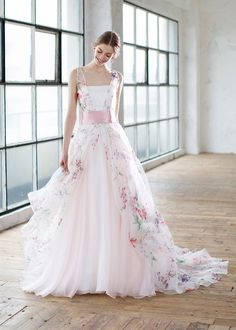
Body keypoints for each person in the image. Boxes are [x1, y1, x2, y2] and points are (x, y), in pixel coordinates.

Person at [20, 31, 228, 299]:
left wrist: (122, 148)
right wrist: (65, 149)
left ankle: (118, 267)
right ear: (93, 47)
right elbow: (72, 114)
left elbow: (114, 116)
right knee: (83, 200)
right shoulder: (78, 74)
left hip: (112, 141)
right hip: (85, 141)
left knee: (119, 200)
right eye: (99, 51)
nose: (102, 57)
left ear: (114, 55)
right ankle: (85, 265)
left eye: (108, 54)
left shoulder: (116, 78)